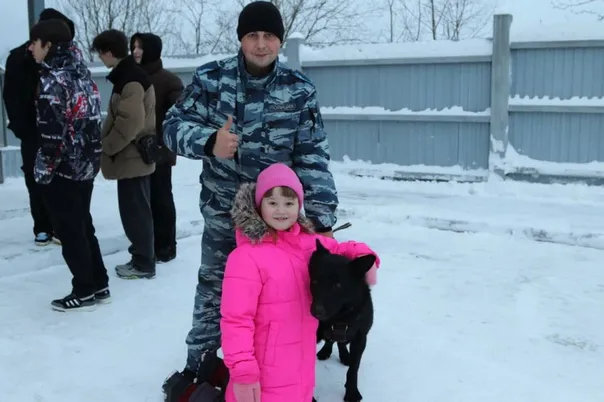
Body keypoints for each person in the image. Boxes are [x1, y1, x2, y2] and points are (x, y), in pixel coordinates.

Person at [161, 0, 339, 395]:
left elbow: (312, 156)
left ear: (280, 41)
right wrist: (209, 141)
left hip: (279, 216)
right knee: (216, 287)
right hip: (224, 211)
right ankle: (200, 366)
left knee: (281, 296)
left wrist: (321, 219)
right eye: (253, 35)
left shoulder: (299, 90)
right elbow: (171, 127)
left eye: (269, 36)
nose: (261, 44)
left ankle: (280, 374)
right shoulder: (211, 79)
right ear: (241, 39)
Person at [221, 163, 379, 402]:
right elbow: (236, 321)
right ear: (259, 205)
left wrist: (365, 254)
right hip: (262, 375)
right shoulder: (245, 258)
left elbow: (339, 249)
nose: (281, 211)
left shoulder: (307, 244)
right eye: (272, 202)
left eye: (289, 203)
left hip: (300, 369)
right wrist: (243, 373)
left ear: (299, 205)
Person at [27, 18, 109, 311]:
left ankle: (84, 289)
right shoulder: (81, 73)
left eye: (34, 43)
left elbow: (52, 135)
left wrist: (43, 170)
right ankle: (99, 283)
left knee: (69, 230)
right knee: (83, 224)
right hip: (86, 164)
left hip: (64, 168)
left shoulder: (52, 81)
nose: (30, 48)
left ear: (48, 45)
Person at [2, 8, 75, 246]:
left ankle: (62, 225)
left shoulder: (66, 60)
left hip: (60, 129)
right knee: (35, 177)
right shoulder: (19, 58)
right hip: (32, 130)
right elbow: (11, 96)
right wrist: (21, 128)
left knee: (62, 177)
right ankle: (42, 226)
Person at [90, 29, 157, 279]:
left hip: (132, 158)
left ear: (109, 52)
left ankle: (143, 263)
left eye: (100, 53)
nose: (100, 59)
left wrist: (107, 146)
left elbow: (130, 122)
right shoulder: (128, 76)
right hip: (132, 158)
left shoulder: (130, 80)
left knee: (135, 214)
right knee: (136, 212)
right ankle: (141, 258)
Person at [130, 32, 183, 263]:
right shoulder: (131, 77)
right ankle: (146, 242)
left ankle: (165, 246)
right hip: (134, 152)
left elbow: (179, 115)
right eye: (133, 46)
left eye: (140, 47)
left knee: (160, 199)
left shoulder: (169, 80)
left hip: (158, 150)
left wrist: (161, 142)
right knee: (140, 202)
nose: (136, 51)